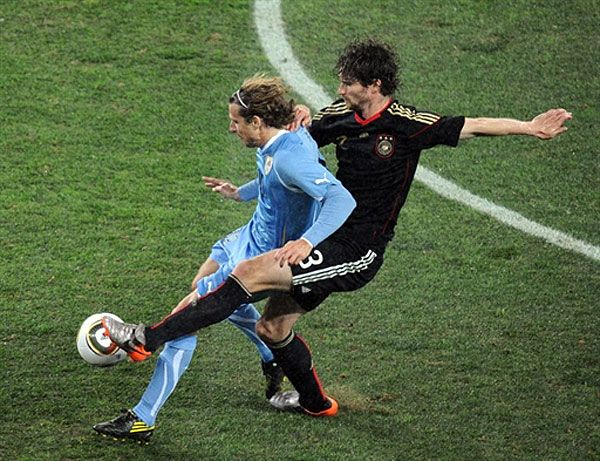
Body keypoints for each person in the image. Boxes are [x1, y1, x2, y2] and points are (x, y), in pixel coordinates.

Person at [102, 39, 572, 418]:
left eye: (348, 83)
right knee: (272, 326)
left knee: (248, 273)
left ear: (375, 85)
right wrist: (300, 117)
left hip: (358, 249)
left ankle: (146, 339)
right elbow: (293, 146)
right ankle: (315, 403)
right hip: (328, 237)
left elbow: (472, 125)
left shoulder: (407, 125)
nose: (340, 89)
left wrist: (529, 127)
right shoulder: (340, 116)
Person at [93, 75, 356, 442]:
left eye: (236, 121)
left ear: (257, 122)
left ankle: (142, 417)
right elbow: (273, 179)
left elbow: (341, 199)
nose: (232, 128)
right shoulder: (283, 138)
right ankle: (269, 354)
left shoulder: (291, 158)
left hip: (259, 256)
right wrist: (240, 193)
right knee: (200, 283)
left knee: (185, 317)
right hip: (247, 235)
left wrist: (307, 241)